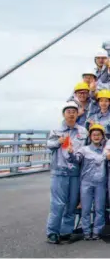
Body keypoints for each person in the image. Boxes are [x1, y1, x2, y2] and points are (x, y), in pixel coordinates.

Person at [46, 101, 87, 244]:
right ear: (64, 114)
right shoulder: (56, 131)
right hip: (59, 172)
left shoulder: (83, 131)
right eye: (68, 111)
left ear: (77, 114)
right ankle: (52, 232)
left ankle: (66, 231)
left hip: (75, 172)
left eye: (74, 111)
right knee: (57, 204)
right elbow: (49, 145)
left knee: (71, 204)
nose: (71, 114)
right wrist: (58, 142)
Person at [68, 124, 110, 240]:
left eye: (99, 135)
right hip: (86, 183)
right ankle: (86, 232)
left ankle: (97, 232)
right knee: (85, 209)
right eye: (94, 135)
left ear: (102, 137)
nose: (96, 137)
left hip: (101, 184)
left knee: (99, 209)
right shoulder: (84, 150)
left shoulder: (105, 152)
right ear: (90, 136)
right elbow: (75, 160)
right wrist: (70, 152)